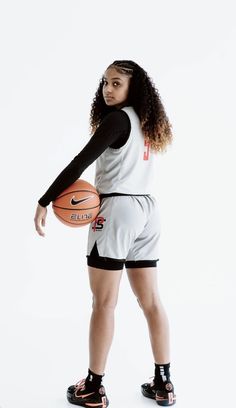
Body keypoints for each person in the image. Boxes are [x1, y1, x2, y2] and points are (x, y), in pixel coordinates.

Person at [34, 60, 176, 407]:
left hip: (117, 211)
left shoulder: (117, 120)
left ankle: (94, 387)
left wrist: (45, 199)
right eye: (105, 83)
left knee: (104, 302)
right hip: (148, 211)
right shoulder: (147, 123)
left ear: (133, 89)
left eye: (116, 84)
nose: (108, 90)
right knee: (151, 301)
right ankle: (164, 382)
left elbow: (80, 162)